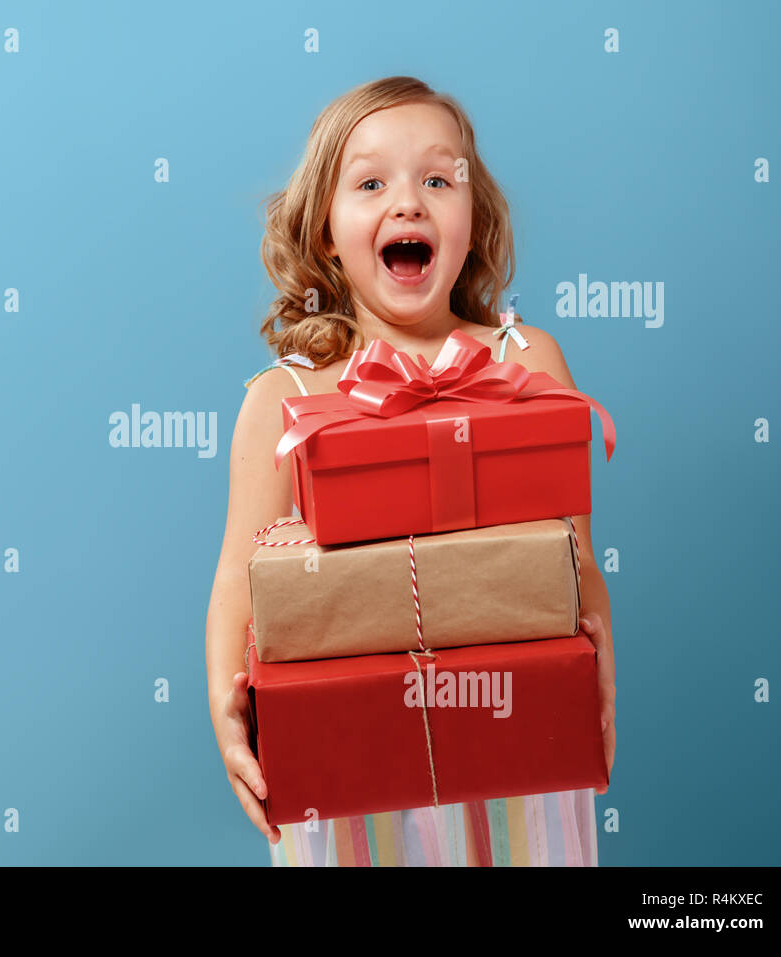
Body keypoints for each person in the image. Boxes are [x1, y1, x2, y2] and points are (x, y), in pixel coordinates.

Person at [205, 76, 616, 866]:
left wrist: (596, 674)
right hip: (351, 773)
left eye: (438, 179)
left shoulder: (524, 362)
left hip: (515, 762)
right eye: (370, 183)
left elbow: (574, 555)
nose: (409, 203)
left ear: (473, 218)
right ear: (326, 231)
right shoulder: (284, 400)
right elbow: (238, 577)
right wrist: (229, 712)